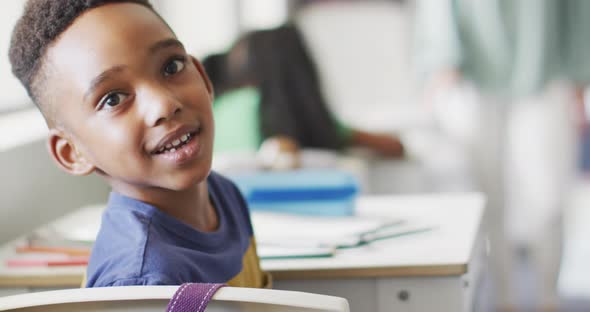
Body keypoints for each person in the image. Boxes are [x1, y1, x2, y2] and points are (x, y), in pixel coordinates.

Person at [8, 0, 269, 288]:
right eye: (114, 99)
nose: (164, 105)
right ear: (73, 152)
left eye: (172, 66)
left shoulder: (224, 194)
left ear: (204, 77)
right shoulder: (143, 281)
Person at [415, 1, 589, 310]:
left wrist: (581, 67)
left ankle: (549, 299)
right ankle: (503, 300)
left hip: (546, 66)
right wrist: (440, 57)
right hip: (471, 70)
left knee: (547, 196)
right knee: (488, 197)